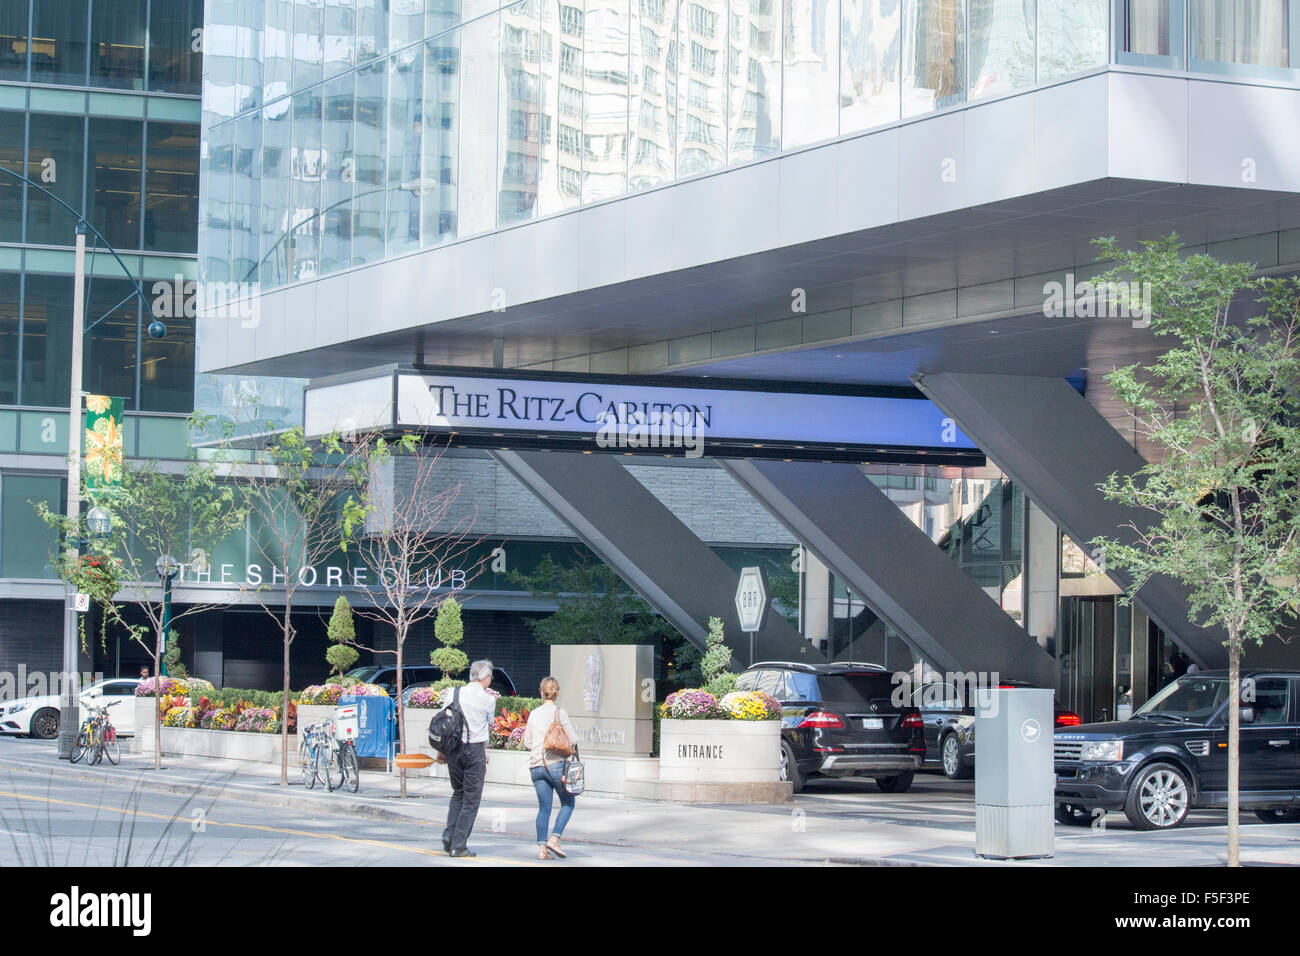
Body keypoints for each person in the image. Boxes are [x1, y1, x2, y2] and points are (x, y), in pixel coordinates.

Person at [437, 659, 496, 858]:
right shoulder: (488, 700)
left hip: (453, 750)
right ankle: (459, 845)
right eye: (491, 676)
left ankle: (450, 833)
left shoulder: (454, 693)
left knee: (458, 793)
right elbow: (489, 723)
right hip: (475, 749)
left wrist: (441, 750)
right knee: (471, 800)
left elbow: (443, 721)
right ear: (485, 677)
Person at [522, 676, 578, 860]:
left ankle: (542, 850)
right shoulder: (560, 713)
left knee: (544, 808)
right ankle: (554, 838)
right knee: (568, 802)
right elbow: (573, 740)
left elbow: (528, 742)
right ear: (556, 693)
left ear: (541, 692)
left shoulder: (534, 713)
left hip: (536, 766)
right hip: (555, 766)